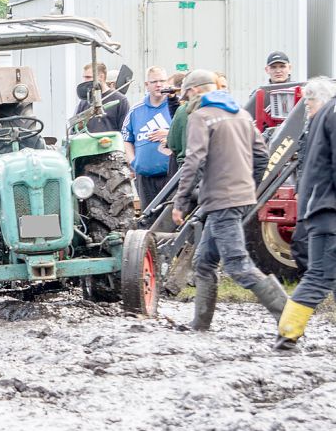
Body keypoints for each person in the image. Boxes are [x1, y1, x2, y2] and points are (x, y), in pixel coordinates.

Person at [171, 69, 288, 332]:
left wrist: (180, 203)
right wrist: (250, 187)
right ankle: (200, 324)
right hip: (238, 197)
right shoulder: (241, 115)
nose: (186, 100)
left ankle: (288, 315)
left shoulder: (201, 117)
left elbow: (193, 160)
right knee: (204, 261)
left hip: (222, 200)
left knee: (237, 265)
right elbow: (261, 156)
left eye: (186, 94)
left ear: (195, 91)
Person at [275, 83, 336, 350]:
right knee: (319, 276)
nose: (307, 107)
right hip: (329, 211)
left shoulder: (321, 118)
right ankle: (286, 336)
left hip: (320, 209)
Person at [283, 77, 336, 280]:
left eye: (309, 100)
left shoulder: (326, 120)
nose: (305, 104)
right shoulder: (312, 124)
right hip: (316, 199)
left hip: (321, 202)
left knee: (316, 275)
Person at [123, 66, 173, 209]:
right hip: (145, 177)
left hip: (170, 176)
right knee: (149, 217)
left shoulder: (175, 106)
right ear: (147, 85)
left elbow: (188, 133)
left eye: (162, 81)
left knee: (169, 218)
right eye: (154, 81)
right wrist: (133, 162)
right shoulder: (136, 110)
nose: (159, 85)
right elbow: (127, 138)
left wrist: (169, 134)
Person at [73, 62, 129, 133]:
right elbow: (73, 131)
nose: (85, 81)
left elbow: (125, 132)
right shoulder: (84, 102)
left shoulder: (120, 100)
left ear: (101, 77)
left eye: (88, 77)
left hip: (110, 143)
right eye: (84, 77)